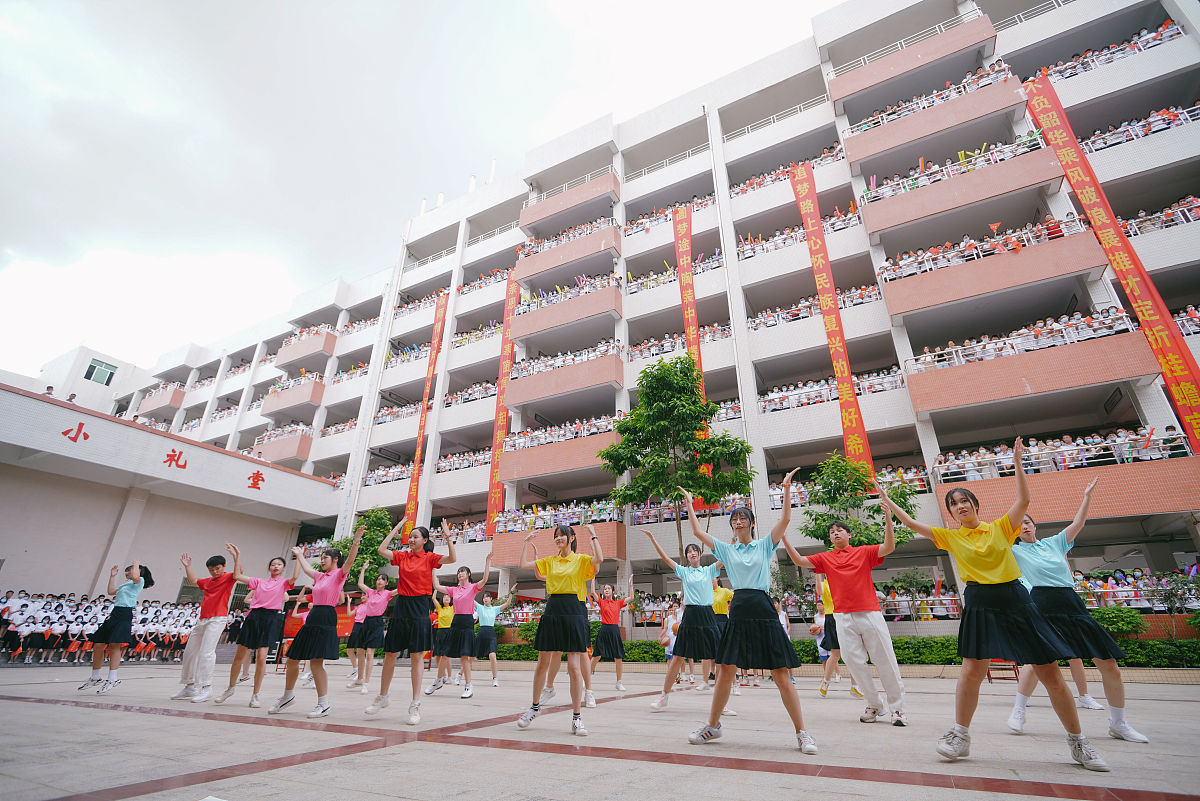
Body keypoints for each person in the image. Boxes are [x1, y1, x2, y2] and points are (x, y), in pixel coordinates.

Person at [878, 438, 1109, 771]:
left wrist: (1017, 462)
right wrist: (888, 501)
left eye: (964, 501)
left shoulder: (1001, 527)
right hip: (979, 602)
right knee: (971, 671)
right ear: (950, 512)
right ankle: (960, 736)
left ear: (975, 504)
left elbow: (1024, 500)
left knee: (1049, 672)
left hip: (1016, 599)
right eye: (954, 504)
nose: (960, 506)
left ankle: (1078, 742)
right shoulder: (950, 537)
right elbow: (913, 525)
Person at [678, 473, 817, 754]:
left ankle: (802, 733)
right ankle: (713, 726)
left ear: (751, 523)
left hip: (763, 607)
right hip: (739, 608)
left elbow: (785, 519)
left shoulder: (765, 544)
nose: (738, 522)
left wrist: (786, 489)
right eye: (734, 519)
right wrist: (690, 504)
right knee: (726, 669)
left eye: (743, 518)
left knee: (780, 672)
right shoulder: (727, 550)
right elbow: (697, 532)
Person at [1006, 479, 1148, 744]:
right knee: (1036, 663)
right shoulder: (1013, 550)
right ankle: (1019, 710)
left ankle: (1118, 723)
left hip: (1071, 603)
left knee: (1109, 664)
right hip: (1041, 604)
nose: (1024, 526)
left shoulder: (1054, 543)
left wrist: (1086, 497)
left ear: (1034, 525)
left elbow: (1078, 523)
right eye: (1019, 523)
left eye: (1027, 522)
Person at [783, 504, 906, 725]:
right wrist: (783, 537)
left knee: (885, 660)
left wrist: (888, 517)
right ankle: (874, 704)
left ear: (850, 535)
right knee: (853, 661)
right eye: (832, 532)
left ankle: (897, 709)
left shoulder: (863, 552)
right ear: (830, 538)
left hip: (869, 612)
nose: (836, 533)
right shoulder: (825, 558)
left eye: (840, 530)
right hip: (842, 617)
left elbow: (888, 547)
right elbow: (799, 561)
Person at [515, 523, 603, 736]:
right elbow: (523, 564)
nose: (559, 538)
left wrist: (593, 536)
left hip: (574, 611)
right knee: (542, 662)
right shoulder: (550, 561)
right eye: (556, 535)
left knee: (574, 667)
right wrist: (526, 541)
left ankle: (576, 718)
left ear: (571, 538)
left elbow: (599, 559)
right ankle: (534, 707)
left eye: (563, 535)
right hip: (553, 609)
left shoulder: (580, 560)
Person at [366, 518, 456, 724]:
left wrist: (448, 537)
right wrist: (397, 528)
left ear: (424, 540)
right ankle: (382, 696)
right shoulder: (403, 556)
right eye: (410, 536)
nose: (411, 539)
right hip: (402, 606)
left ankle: (415, 704)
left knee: (417, 656)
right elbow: (381, 550)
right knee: (390, 653)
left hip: (420, 607)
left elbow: (452, 558)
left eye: (416, 537)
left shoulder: (430, 558)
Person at [269, 526, 362, 717]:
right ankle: (287, 696)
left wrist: (356, 541)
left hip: (326, 615)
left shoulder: (339, 574)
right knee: (293, 659)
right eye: (322, 558)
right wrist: (299, 554)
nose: (322, 560)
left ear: (335, 560)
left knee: (316, 662)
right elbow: (307, 568)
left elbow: (350, 561)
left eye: (325, 557)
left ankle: (323, 704)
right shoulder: (320, 576)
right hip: (313, 616)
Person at [641, 532, 723, 709]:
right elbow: (665, 558)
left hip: (708, 614)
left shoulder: (709, 570)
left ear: (700, 554)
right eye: (689, 552)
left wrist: (734, 540)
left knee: (719, 657)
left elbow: (725, 557)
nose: (692, 553)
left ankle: (721, 704)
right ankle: (664, 696)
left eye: (695, 551)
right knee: (678, 656)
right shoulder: (684, 572)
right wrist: (653, 539)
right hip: (690, 615)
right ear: (687, 557)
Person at [215, 550, 299, 708]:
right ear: (269, 568)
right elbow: (237, 576)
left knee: (261, 657)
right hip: (254, 617)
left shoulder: (284, 583)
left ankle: (255, 695)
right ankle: (230, 688)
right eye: (273, 564)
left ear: (283, 568)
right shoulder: (259, 582)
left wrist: (299, 557)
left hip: (270, 619)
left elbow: (295, 577)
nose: (276, 566)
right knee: (239, 656)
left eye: (279, 564)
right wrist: (237, 556)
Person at [172, 546, 239, 703]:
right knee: (189, 652)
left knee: (206, 653)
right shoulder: (208, 581)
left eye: (217, 568)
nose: (215, 571)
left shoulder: (229, 577)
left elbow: (239, 572)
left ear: (224, 567)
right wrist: (187, 566)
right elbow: (193, 581)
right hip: (202, 620)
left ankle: (206, 688)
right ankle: (189, 686)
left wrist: (236, 556)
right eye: (211, 569)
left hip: (217, 619)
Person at [77, 559, 153, 694]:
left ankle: (113, 678)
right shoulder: (126, 585)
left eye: (129, 570)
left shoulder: (139, 581)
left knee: (114, 645)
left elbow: (136, 576)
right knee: (98, 644)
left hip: (125, 613)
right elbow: (111, 591)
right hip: (115, 613)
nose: (127, 572)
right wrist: (112, 576)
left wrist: (136, 563)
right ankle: (95, 677)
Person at [430, 551, 494, 699]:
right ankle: (438, 681)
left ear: (468, 574)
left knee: (465, 656)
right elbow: (436, 586)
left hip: (467, 623)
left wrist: (487, 561)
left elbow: (485, 579)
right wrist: (433, 568)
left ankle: (468, 686)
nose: (460, 574)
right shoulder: (454, 590)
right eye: (458, 572)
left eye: (463, 571)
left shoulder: (473, 587)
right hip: (455, 622)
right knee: (444, 654)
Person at [347, 566, 394, 694]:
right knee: (360, 651)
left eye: (382, 579)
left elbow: (400, 589)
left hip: (377, 622)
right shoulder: (371, 592)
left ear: (386, 583)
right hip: (366, 622)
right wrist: (363, 569)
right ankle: (359, 679)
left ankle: (366, 683)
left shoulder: (387, 594)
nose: (379, 581)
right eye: (378, 579)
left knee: (369, 653)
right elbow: (360, 584)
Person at [590, 576, 633, 692]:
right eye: (605, 589)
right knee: (596, 655)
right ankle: (587, 680)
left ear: (613, 591)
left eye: (609, 588)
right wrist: (593, 578)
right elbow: (593, 592)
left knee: (618, 657)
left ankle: (619, 682)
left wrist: (630, 584)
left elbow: (632, 597)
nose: (606, 590)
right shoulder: (601, 602)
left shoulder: (618, 603)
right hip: (604, 629)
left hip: (614, 630)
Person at [474, 587, 517, 687]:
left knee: (493, 656)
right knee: (471, 657)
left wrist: (511, 592)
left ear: (491, 599)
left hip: (491, 633)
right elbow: (471, 600)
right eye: (484, 597)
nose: (485, 599)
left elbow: (507, 604)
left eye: (487, 597)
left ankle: (495, 678)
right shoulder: (480, 607)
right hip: (482, 632)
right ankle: (460, 675)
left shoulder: (494, 609)